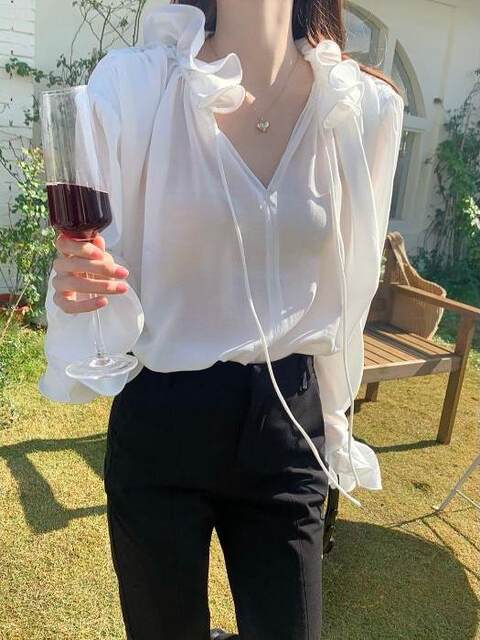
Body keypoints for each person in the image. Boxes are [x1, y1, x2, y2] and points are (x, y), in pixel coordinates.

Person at [38, 1, 404, 638]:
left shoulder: (362, 107)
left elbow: (354, 284)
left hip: (289, 419)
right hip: (163, 417)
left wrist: (335, 422)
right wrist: (74, 282)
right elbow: (91, 250)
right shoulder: (137, 88)